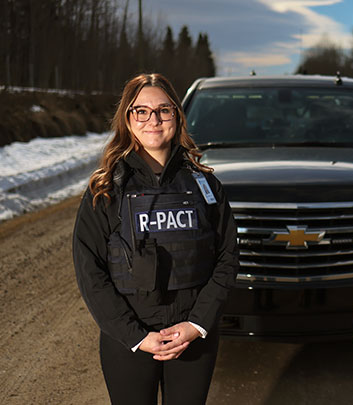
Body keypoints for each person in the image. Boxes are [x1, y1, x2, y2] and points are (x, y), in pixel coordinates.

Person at [72, 73, 239, 404]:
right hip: (130, 341)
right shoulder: (105, 189)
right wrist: (136, 336)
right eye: (142, 111)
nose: (154, 120)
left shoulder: (205, 186)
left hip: (192, 338)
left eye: (164, 110)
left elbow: (227, 257)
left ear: (177, 116)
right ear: (128, 119)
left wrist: (197, 324)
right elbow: (90, 273)